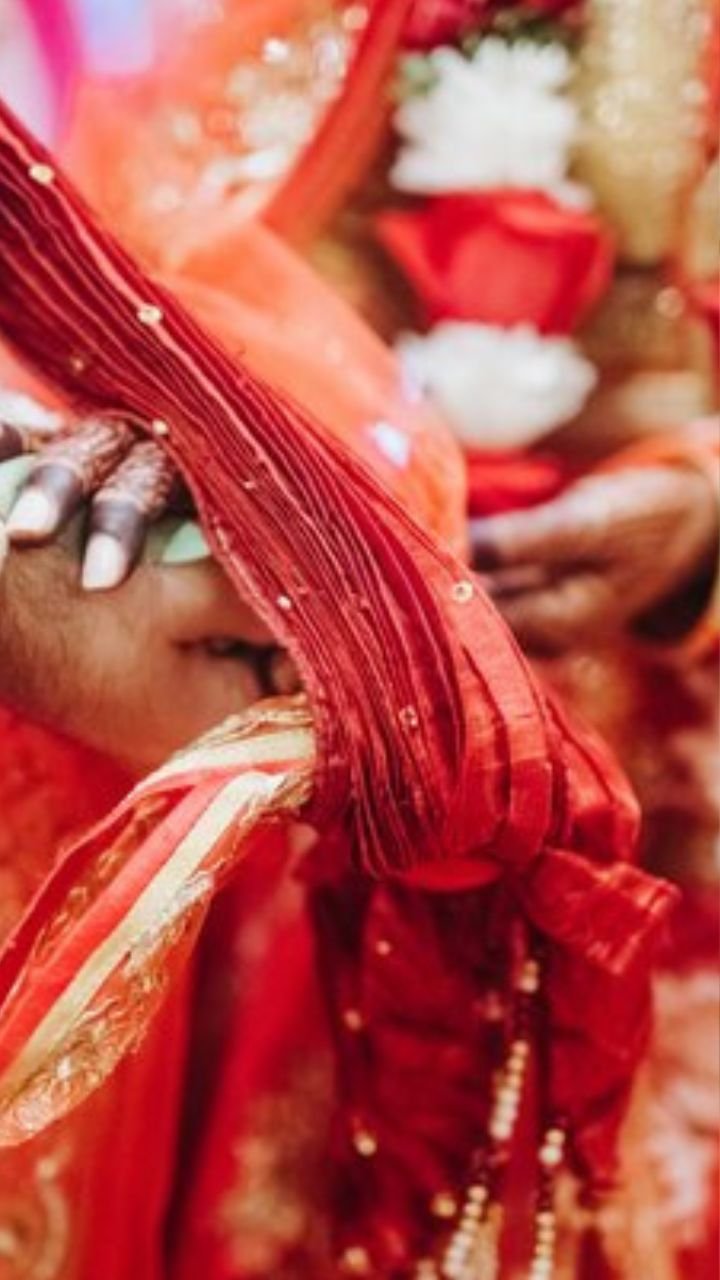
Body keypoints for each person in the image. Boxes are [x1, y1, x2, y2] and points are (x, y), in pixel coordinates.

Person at [0, 6, 707, 1280]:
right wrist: (175, 432)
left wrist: (707, 516)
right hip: (289, 749)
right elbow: (143, 263)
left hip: (669, 782)